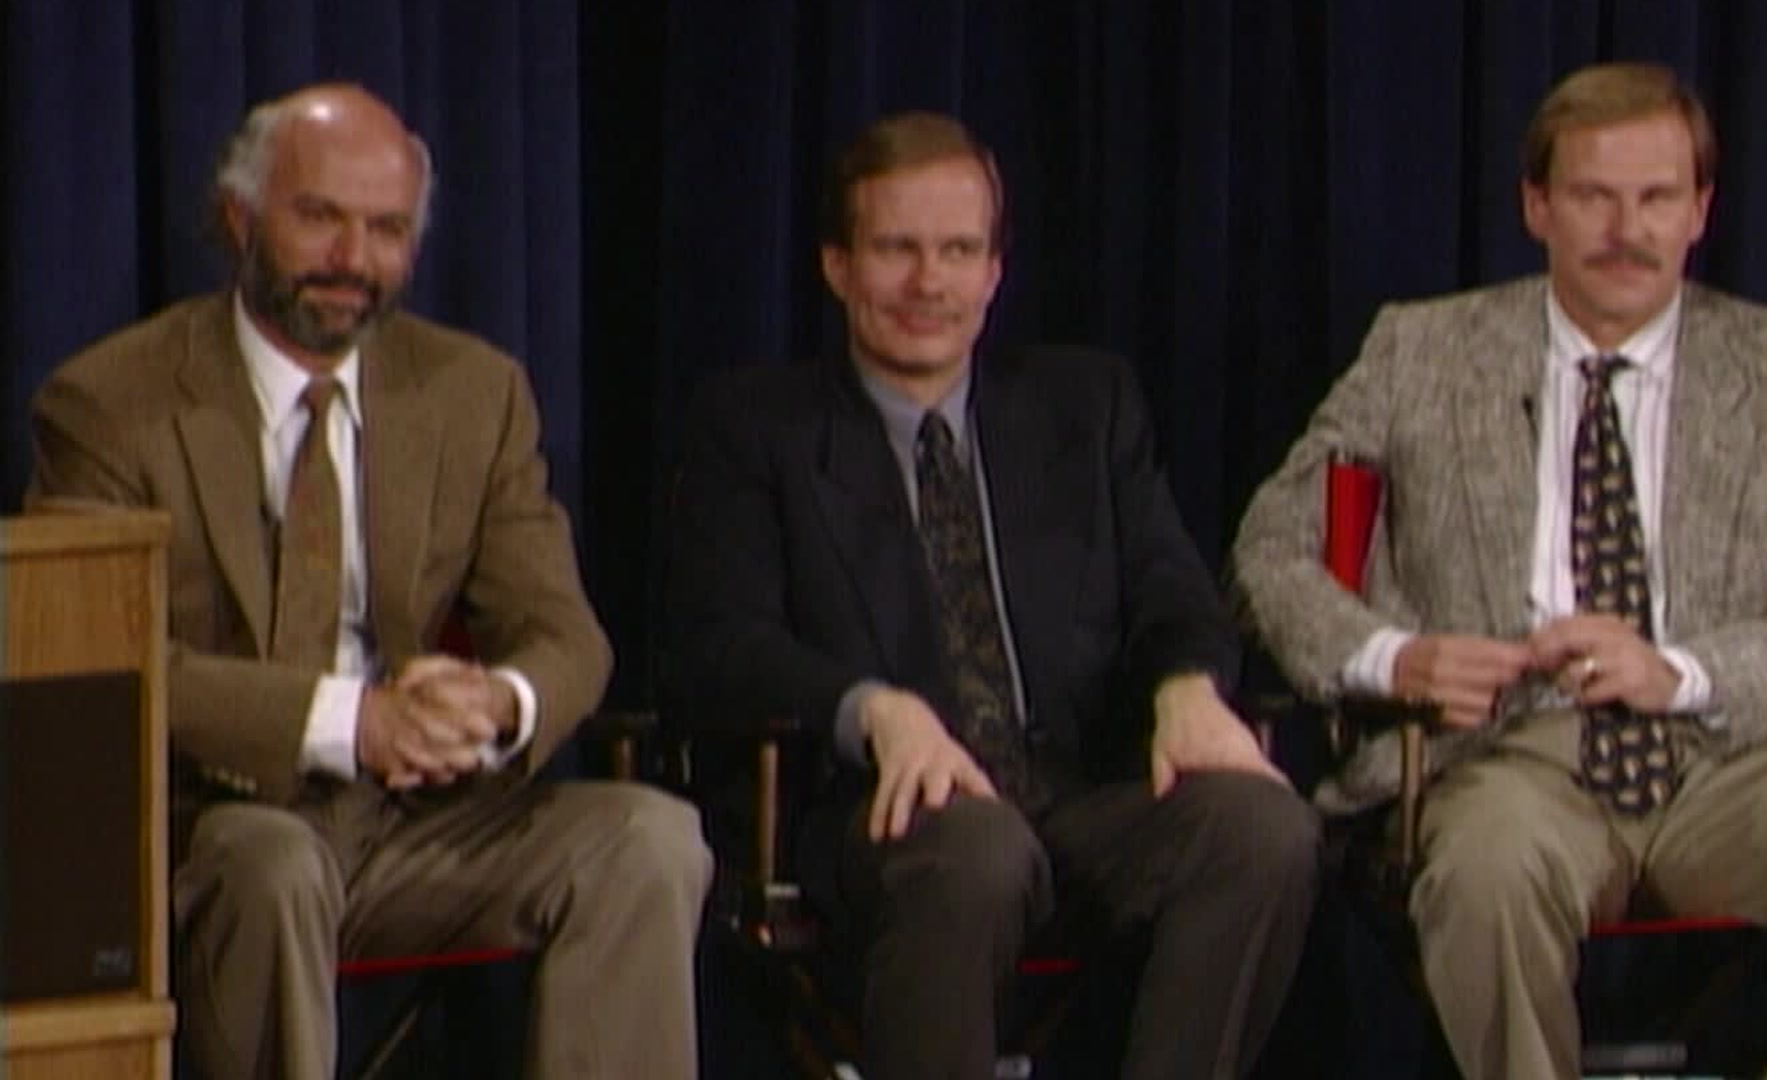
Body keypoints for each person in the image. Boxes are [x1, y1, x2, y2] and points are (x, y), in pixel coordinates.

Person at [1233, 61, 1767, 1079]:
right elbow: (1269, 551)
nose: (1626, 230)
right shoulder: (1421, 352)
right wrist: (1396, 657)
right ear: (1537, 206)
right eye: (1595, 196)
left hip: (1730, 760)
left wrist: (1676, 671)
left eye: (1657, 198)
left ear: (1700, 211)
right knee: (1486, 873)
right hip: (1510, 760)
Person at [28, 84, 710, 1080]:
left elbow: (565, 633)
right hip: (208, 823)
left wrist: (497, 703)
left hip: (414, 823)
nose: (355, 259)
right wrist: (354, 723)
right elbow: (104, 665)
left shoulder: (474, 391)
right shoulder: (108, 402)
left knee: (651, 840)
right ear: (239, 218)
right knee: (276, 868)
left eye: (388, 230)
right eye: (320, 218)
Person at [669, 111, 1319, 1079]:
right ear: (838, 267)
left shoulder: (1087, 405)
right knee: (975, 851)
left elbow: (1175, 593)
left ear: (994, 272)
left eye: (958, 251)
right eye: (897, 249)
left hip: (1074, 797)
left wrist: (1186, 688)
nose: (929, 283)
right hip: (877, 816)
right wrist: (877, 712)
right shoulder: (756, 426)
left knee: (1264, 830)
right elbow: (722, 645)